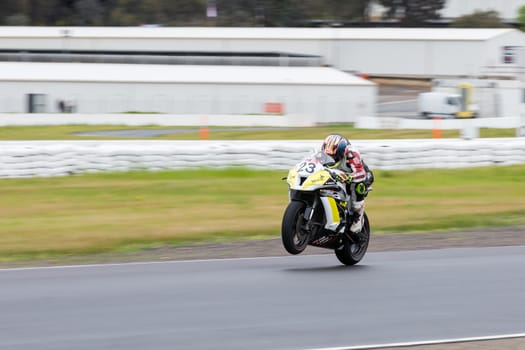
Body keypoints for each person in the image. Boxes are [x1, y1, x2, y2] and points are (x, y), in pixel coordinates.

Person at [320, 133, 374, 235]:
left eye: (334, 156)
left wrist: (349, 177)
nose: (331, 158)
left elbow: (361, 173)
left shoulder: (351, 153)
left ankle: (358, 217)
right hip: (341, 174)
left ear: (341, 151)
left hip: (361, 175)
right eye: (328, 156)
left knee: (358, 186)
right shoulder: (323, 152)